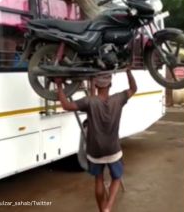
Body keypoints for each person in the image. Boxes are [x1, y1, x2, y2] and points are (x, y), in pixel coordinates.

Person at [55, 68, 137, 212]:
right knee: (116, 178)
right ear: (110, 85)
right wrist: (128, 71)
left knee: (98, 179)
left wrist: (59, 86)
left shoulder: (89, 101)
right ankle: (108, 208)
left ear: (96, 85)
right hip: (113, 149)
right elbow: (133, 88)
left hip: (95, 151)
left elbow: (66, 105)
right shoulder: (118, 99)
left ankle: (101, 210)